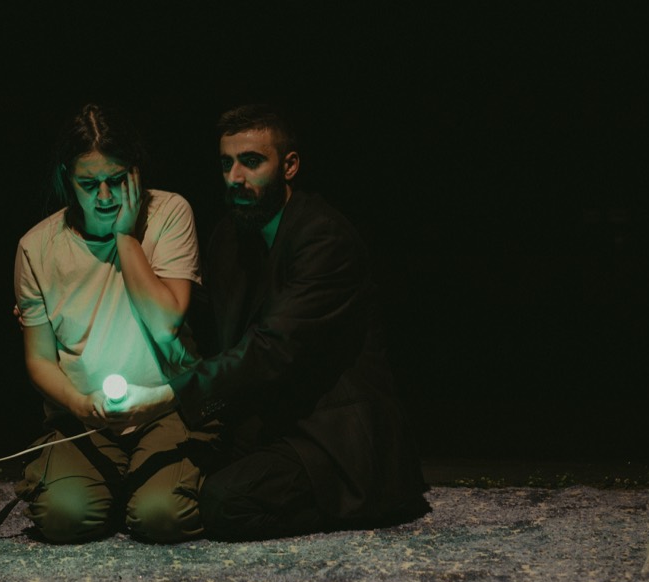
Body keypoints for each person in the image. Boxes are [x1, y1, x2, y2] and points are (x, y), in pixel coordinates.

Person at [106, 103, 432, 541]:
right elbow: (204, 323)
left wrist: (166, 395)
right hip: (268, 419)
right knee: (165, 487)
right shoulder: (230, 236)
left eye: (251, 162)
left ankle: (361, 504)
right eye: (227, 163)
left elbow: (273, 348)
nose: (235, 177)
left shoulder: (324, 238)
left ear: (289, 165)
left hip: (332, 431)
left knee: (224, 503)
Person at [9, 102, 213, 545]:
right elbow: (40, 359)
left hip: (165, 408)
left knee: (162, 517)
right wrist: (80, 405)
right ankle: (108, 486)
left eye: (117, 180)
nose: (104, 197)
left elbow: (166, 322)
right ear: (68, 180)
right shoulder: (36, 247)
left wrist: (125, 237)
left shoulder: (169, 214)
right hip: (86, 419)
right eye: (89, 184)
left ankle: (140, 487)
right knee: (64, 518)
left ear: (135, 173)